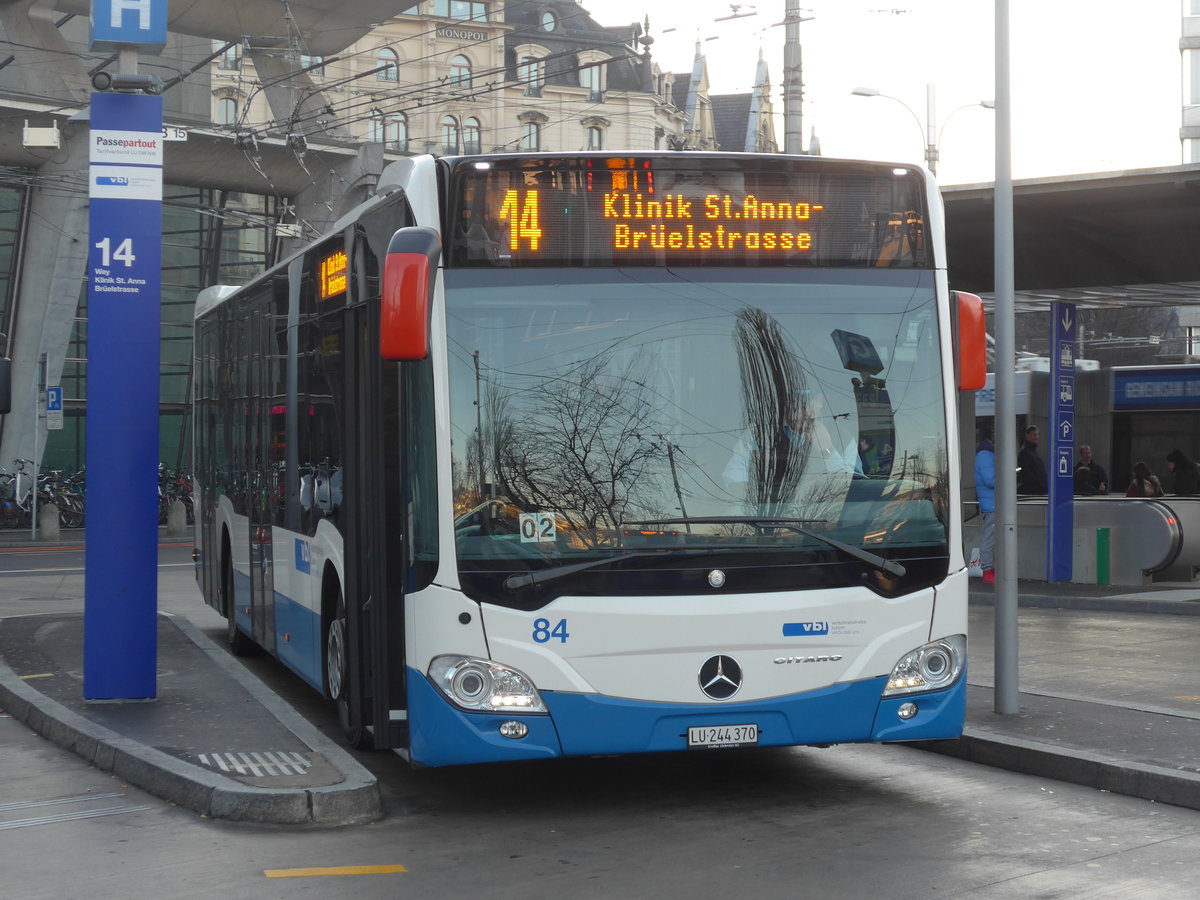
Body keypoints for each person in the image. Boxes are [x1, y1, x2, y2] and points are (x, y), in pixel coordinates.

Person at [973, 427, 996, 584]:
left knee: (991, 538)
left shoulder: (983, 455)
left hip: (992, 504)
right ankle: (987, 571)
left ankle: (989, 570)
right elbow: (991, 480)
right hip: (993, 505)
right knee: (989, 538)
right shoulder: (986, 455)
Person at [1016, 425, 1047, 495]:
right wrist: (1039, 486)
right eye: (1034, 434)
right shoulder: (1025, 452)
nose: (1036, 437)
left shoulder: (1032, 451)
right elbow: (1027, 473)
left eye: (1037, 434)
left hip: (1038, 491)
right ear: (1027, 435)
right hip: (1034, 492)